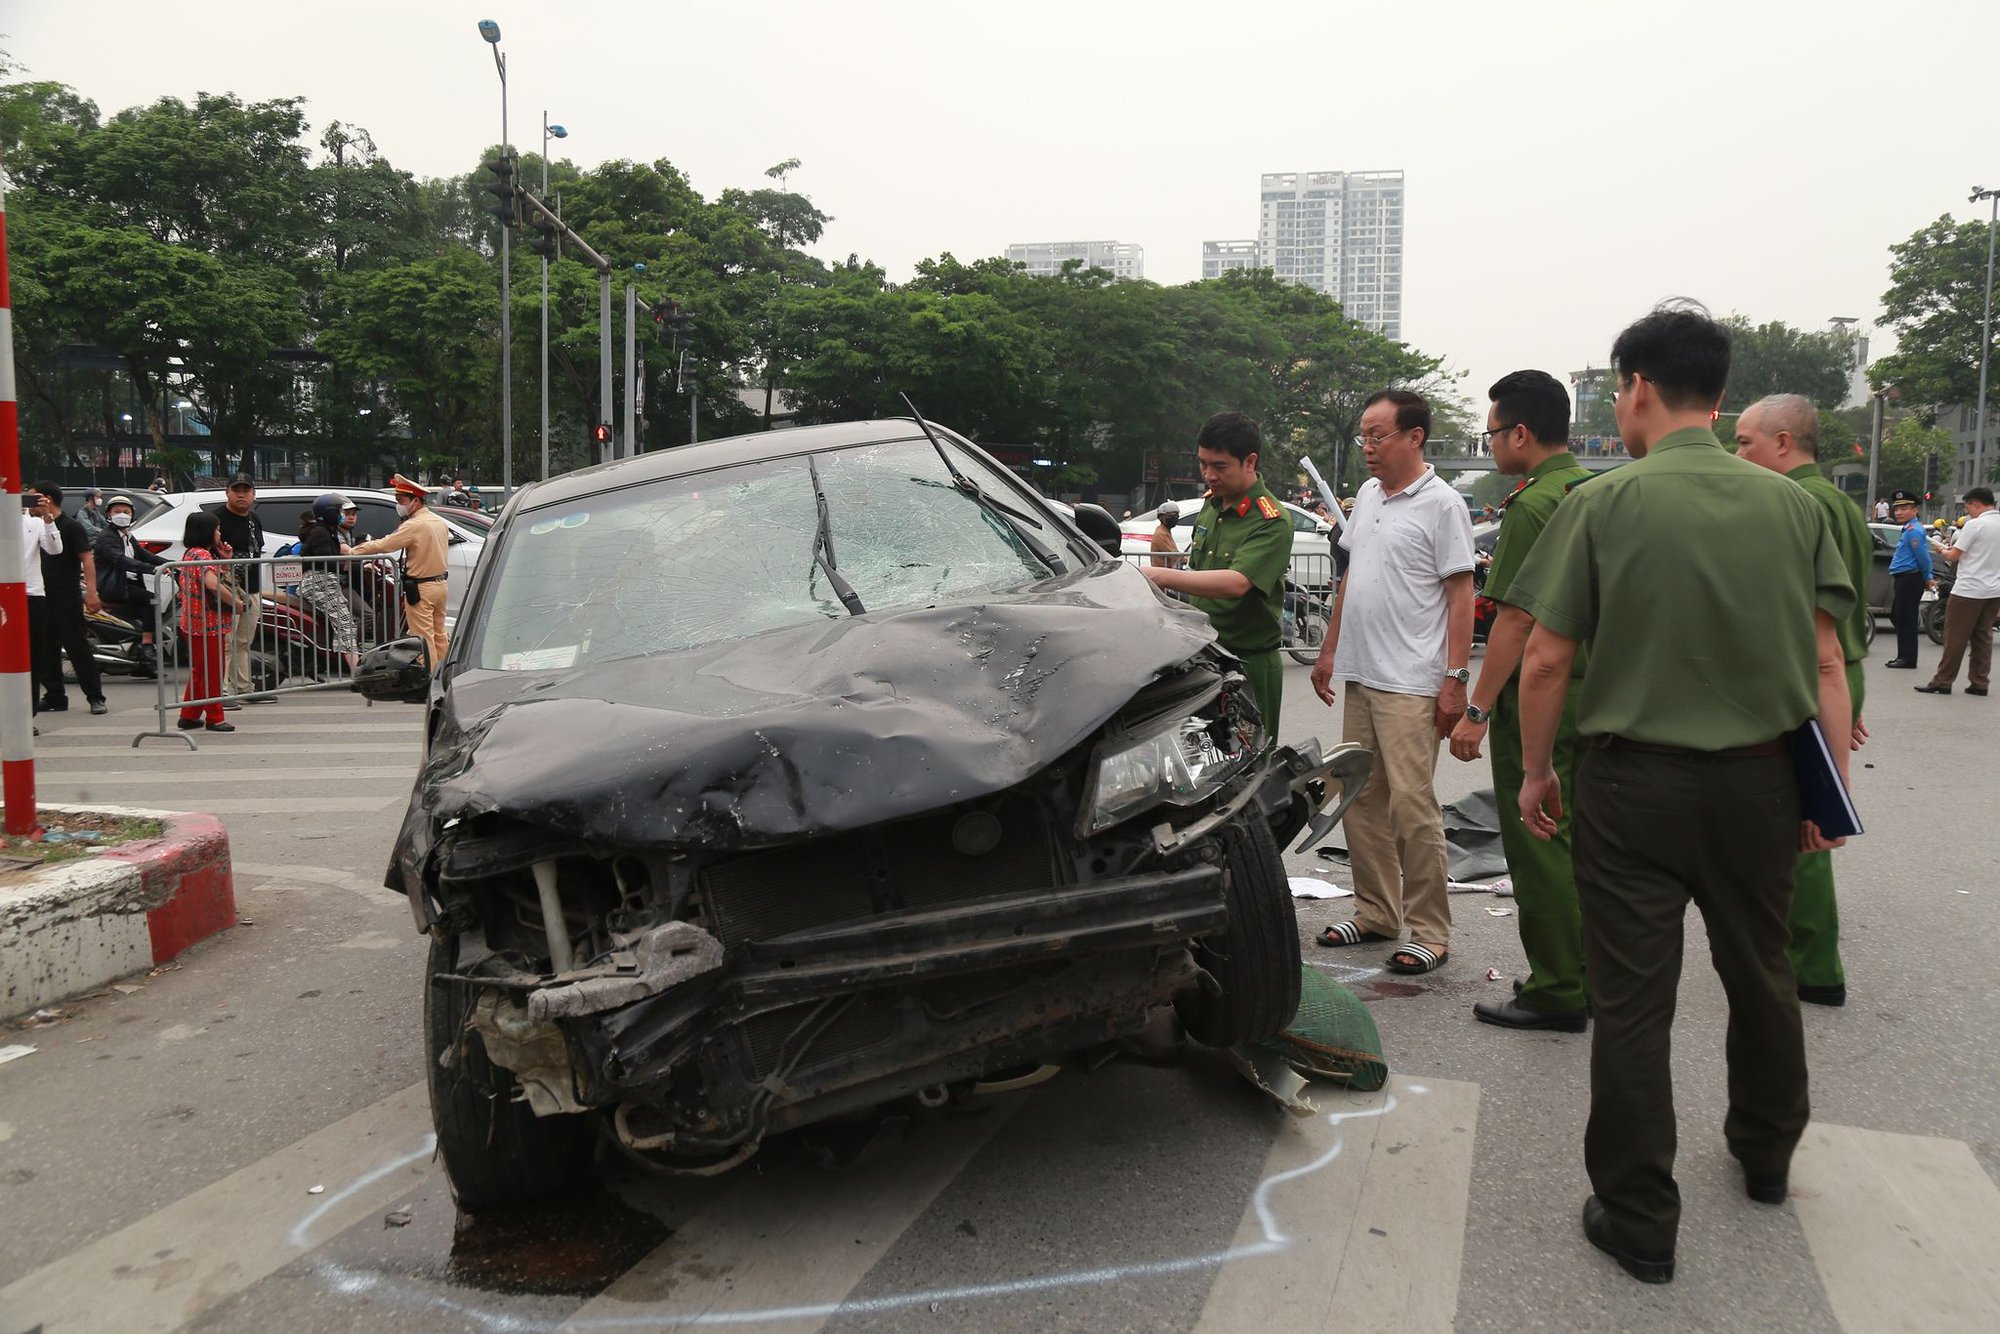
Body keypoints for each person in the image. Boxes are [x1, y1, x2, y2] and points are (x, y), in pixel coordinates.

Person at [1506, 301, 1854, 1285]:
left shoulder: (1600, 505)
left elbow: (1544, 659)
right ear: (1717, 396)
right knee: (1760, 970)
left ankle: (1638, 1215)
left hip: (1631, 784)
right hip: (1758, 779)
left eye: (1616, 391)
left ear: (1638, 389)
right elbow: (1825, 661)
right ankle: (1764, 1151)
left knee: (1631, 1003)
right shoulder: (1792, 507)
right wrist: (1817, 793)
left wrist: (1537, 772)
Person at [1309, 389, 1477, 975]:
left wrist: (1455, 681)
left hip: (1412, 680)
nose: (1369, 448)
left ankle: (1430, 929)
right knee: (1358, 797)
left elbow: (1461, 596)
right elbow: (1351, 578)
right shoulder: (1370, 501)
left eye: (1378, 436)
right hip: (1362, 673)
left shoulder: (1443, 504)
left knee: (1412, 806)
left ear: (1415, 437)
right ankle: (1376, 912)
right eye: (1364, 437)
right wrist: (1330, 649)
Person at [1447, 371, 1593, 1030]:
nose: (1492, 444)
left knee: (1537, 843)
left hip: (1544, 697)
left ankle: (1558, 989)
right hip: (1597, 691)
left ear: (1521, 433)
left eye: (1493, 433)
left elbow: (1512, 622)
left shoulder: (1534, 504)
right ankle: (1586, 971)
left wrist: (1478, 711)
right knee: (1581, 842)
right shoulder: (1594, 489)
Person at [1734, 394, 1871, 1008]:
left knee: (1805, 826)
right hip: (1835, 668)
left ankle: (1812, 965)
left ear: (1783, 442)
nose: (1739, 456)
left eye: (1746, 444)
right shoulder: (1837, 501)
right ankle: (1805, 956)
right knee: (1806, 815)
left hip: (1807, 673)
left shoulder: (1794, 502)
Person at [1139, 413, 1292, 740]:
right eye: (1203, 464)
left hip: (1248, 663)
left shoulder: (1271, 520)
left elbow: (1236, 582)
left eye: (1220, 466)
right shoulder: (1212, 507)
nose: (1209, 475)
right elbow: (1199, 571)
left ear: (1250, 462)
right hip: (1205, 657)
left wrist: (1161, 576)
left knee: (1252, 761)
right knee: (1199, 764)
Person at [349, 474, 452, 669]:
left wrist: (354, 551)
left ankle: (427, 679)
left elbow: (385, 544)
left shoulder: (414, 525)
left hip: (421, 588)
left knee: (422, 637)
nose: (399, 505)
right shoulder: (439, 522)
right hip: (440, 586)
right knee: (439, 634)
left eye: (401, 501)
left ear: (415, 501)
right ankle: (442, 675)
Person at [31, 482, 109, 716]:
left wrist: (92, 592)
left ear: (46, 499)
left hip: (66, 596)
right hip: (40, 596)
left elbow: (87, 559)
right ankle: (55, 696)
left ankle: (96, 697)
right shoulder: (34, 527)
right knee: (45, 649)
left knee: (77, 647)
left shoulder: (71, 526)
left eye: (32, 498)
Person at [1915, 485, 2000, 697]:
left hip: (1968, 590)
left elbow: (1954, 555)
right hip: (1993, 590)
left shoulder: (1975, 525)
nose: (1966, 512)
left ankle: (1943, 681)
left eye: (1967, 507)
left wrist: (1941, 549)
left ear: (1976, 503)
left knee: (1955, 637)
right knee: (1983, 636)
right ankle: (1979, 682)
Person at [174, 511, 243, 732]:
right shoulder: (202, 556)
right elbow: (213, 585)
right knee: (212, 672)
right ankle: (215, 718)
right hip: (207, 623)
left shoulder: (192, 553)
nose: (219, 533)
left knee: (201, 671)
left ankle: (189, 714)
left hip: (194, 622)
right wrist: (236, 603)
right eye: (217, 529)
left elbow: (214, 576)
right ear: (207, 532)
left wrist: (225, 559)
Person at [92, 494, 169, 676]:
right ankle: (147, 644)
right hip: (114, 586)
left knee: (148, 616)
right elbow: (121, 560)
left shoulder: (127, 534)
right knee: (151, 600)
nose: (122, 515)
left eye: (126, 512)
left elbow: (143, 555)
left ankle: (143, 663)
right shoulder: (107, 537)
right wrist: (152, 569)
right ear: (108, 514)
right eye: (117, 511)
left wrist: (170, 564)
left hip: (128, 583)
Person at [213, 473, 268, 705]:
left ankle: (245, 688)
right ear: (227, 492)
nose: (242, 494)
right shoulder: (215, 518)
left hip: (251, 589)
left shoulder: (253, 518)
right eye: (237, 490)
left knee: (244, 642)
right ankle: (222, 692)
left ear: (254, 495)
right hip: (227, 590)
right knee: (225, 643)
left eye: (246, 490)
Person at [298, 493, 360, 674]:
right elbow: (327, 560)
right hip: (321, 581)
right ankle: (357, 672)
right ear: (330, 512)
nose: (342, 515)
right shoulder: (320, 532)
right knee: (345, 624)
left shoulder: (326, 530)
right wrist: (348, 566)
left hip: (323, 580)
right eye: (340, 511)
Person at [21, 489, 63, 714]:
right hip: (6, 595)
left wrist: (48, 518)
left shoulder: (36, 523)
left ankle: (29, 713)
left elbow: (55, 549)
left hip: (33, 594)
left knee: (35, 655)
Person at [1884, 489, 1932, 668]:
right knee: (1900, 616)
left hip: (1910, 579)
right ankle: (1903, 655)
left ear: (1914, 510)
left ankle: (1908, 658)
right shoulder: (1908, 529)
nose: (1899, 512)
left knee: (1906, 619)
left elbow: (1923, 557)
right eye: (1897, 509)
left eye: (1904, 508)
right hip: (1904, 579)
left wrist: (1928, 577)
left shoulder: (1913, 531)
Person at [1149, 501, 1181, 567]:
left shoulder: (1166, 531)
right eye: (1171, 516)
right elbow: (1173, 555)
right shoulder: (1161, 534)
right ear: (1161, 517)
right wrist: (1186, 559)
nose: (1174, 518)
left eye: (1176, 515)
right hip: (1163, 572)